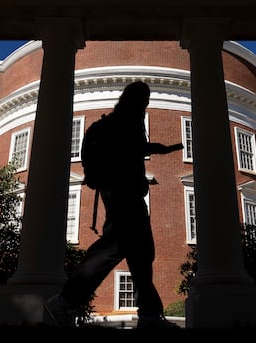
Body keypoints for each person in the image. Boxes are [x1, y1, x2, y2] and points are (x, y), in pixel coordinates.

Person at [45, 81, 184, 329]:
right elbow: (130, 148)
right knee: (114, 247)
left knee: (141, 251)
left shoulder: (114, 122)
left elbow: (131, 148)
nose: (146, 104)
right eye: (145, 99)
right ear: (137, 100)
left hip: (120, 192)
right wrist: (156, 148)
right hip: (124, 193)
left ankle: (150, 315)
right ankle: (65, 301)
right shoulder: (126, 122)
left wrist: (156, 149)